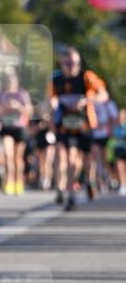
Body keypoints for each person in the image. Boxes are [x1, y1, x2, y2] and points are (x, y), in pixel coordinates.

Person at [49, 47, 106, 211]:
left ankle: (90, 181)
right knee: (66, 159)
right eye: (68, 63)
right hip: (64, 125)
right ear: (61, 63)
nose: (72, 66)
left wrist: (87, 100)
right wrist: (51, 105)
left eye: (75, 63)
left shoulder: (86, 77)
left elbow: (103, 95)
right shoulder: (56, 80)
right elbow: (49, 100)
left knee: (87, 160)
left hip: (84, 124)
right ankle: (68, 194)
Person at [0, 73, 32, 194]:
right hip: (6, 127)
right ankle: (9, 181)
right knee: (8, 156)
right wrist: (3, 109)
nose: (9, 84)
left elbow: (29, 111)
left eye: (11, 81)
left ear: (16, 82)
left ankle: (18, 181)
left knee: (17, 158)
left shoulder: (22, 94)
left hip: (19, 128)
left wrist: (18, 107)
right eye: (7, 81)